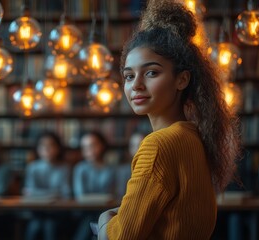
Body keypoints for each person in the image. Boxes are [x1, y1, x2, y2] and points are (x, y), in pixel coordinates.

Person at [97, 1, 241, 239]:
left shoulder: (159, 145)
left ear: (182, 80)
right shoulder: (193, 137)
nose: (136, 85)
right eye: (129, 76)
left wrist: (104, 221)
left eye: (151, 72)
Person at [24, 131, 70, 240]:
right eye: (43, 145)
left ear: (58, 148)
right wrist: (54, 194)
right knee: (35, 226)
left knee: (50, 225)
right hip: (37, 212)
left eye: (51, 145)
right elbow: (29, 193)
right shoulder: (32, 167)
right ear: (37, 149)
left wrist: (37, 194)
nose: (47, 148)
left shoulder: (64, 168)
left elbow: (66, 193)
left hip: (57, 212)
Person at [73, 131, 115, 240]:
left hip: (107, 211)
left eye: (92, 145)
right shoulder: (80, 168)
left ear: (102, 145)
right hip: (85, 212)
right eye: (85, 147)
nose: (89, 150)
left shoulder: (112, 168)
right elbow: (80, 195)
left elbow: (115, 194)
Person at [115, 131, 146, 200]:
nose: (136, 149)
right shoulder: (123, 171)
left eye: (140, 145)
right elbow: (120, 195)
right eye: (133, 146)